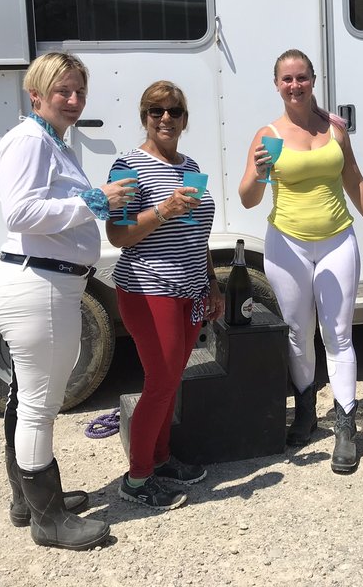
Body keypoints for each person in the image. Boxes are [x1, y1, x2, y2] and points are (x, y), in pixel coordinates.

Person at [0, 51, 135, 550]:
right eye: (62, 92)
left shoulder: (51, 142)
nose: (74, 101)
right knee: (38, 406)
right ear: (36, 95)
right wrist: (95, 202)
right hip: (40, 286)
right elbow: (22, 213)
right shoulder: (30, 141)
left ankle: (28, 501)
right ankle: (47, 520)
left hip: (46, 283)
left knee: (25, 399)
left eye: (79, 91)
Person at [238, 48, 363, 474]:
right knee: (297, 334)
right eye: (287, 79)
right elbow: (248, 199)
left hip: (338, 239)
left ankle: (345, 425)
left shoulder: (335, 129)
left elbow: (354, 178)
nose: (295, 86)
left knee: (338, 334)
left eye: (301, 77)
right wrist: (259, 172)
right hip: (288, 245)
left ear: (313, 79)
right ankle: (305, 409)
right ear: (277, 85)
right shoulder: (267, 135)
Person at [106, 80, 224, 510]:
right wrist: (163, 210)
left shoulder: (189, 165)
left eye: (174, 111)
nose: (166, 118)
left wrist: (211, 283)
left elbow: (197, 235)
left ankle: (159, 459)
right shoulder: (127, 166)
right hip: (148, 288)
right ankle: (137, 481)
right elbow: (118, 234)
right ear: (144, 117)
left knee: (171, 381)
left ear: (185, 119)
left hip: (190, 290)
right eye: (156, 111)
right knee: (160, 383)